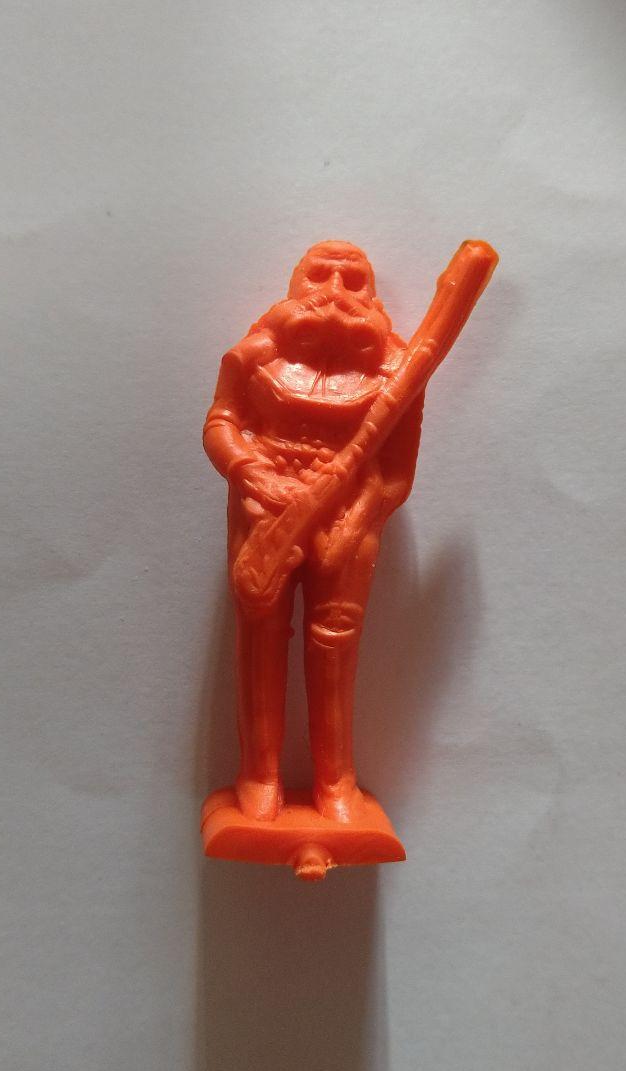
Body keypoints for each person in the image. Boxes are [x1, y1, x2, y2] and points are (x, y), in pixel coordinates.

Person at [203, 241, 423, 823]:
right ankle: (259, 775)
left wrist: (362, 512)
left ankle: (335, 780)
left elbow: (397, 474)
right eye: (320, 275)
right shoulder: (254, 354)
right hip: (264, 508)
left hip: (349, 518)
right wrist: (251, 474)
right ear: (296, 282)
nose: (335, 292)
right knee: (260, 635)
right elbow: (222, 422)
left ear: (372, 294)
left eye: (353, 280)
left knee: (336, 642)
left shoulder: (400, 370)